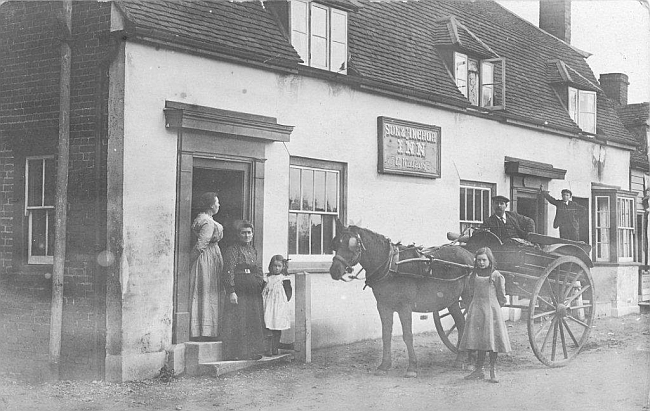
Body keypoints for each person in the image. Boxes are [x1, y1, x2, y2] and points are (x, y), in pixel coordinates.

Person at [459, 247, 511, 383]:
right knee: (480, 340)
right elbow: (470, 291)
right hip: (477, 309)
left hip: (491, 310)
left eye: (484, 260)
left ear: (490, 260)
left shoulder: (495, 275)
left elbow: (501, 295)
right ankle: (478, 370)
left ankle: (493, 370)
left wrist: (495, 308)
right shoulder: (474, 275)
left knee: (492, 340)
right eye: (479, 260)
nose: (481, 263)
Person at [221, 220, 266, 360]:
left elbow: (257, 268)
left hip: (252, 289)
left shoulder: (253, 250)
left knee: (253, 319)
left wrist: (259, 282)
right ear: (238, 234)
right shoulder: (233, 250)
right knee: (238, 319)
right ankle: (236, 353)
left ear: (252, 234)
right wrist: (231, 290)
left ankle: (253, 352)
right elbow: (228, 270)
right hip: (239, 288)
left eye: (249, 233)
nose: (246, 236)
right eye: (243, 233)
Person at [189, 192, 224, 341]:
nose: (219, 205)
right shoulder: (207, 222)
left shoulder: (203, 218)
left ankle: (205, 329)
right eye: (217, 203)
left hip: (208, 257)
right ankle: (206, 330)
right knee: (208, 290)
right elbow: (201, 244)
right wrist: (191, 261)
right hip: (207, 258)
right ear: (211, 205)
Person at [262, 255, 292, 356]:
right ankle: (267, 349)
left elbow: (289, 294)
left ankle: (275, 348)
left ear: (283, 267)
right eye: (274, 266)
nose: (277, 268)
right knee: (267, 325)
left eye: (279, 266)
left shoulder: (284, 279)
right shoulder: (267, 278)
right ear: (271, 266)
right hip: (268, 305)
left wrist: (282, 303)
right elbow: (262, 290)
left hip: (279, 306)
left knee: (277, 326)